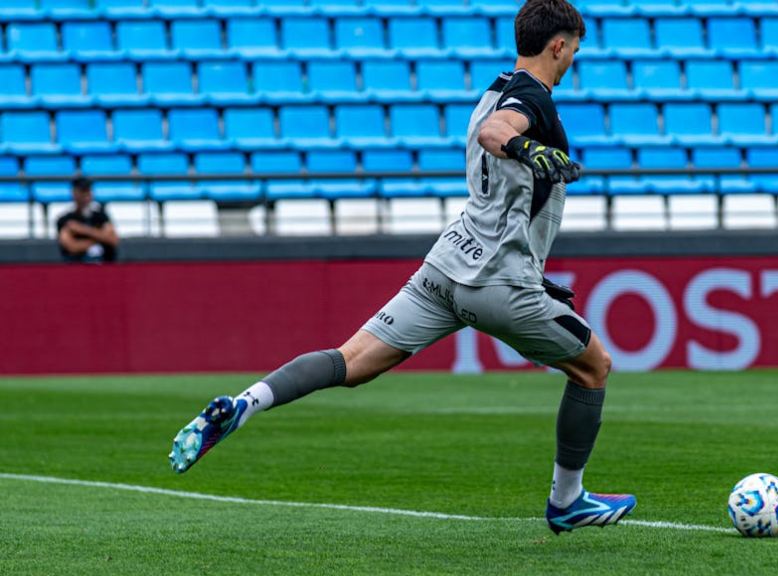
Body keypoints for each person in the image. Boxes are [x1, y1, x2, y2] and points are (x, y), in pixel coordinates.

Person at [169, 0, 636, 534]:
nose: (574, 57)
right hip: (498, 283)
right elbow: (498, 135)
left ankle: (245, 403)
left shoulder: (493, 90)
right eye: (575, 48)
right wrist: (530, 148)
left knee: (350, 362)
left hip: (447, 267)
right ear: (560, 45)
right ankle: (567, 499)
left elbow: (497, 167)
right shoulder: (531, 98)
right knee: (592, 366)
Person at [56, 178, 119, 263]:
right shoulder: (65, 219)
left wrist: (82, 229)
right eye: (82, 191)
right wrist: (100, 238)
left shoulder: (101, 216)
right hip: (76, 268)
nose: (86, 194)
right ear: (74, 192)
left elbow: (113, 240)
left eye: (88, 190)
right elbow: (71, 247)